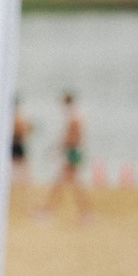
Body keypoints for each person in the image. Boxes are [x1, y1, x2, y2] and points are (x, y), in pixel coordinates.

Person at [38, 91, 90, 222]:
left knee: (64, 183)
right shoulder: (76, 116)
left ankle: (49, 211)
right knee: (67, 183)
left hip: (73, 153)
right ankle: (49, 210)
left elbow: (73, 139)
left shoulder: (74, 118)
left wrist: (58, 147)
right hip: (73, 152)